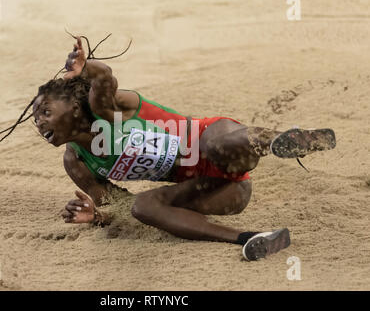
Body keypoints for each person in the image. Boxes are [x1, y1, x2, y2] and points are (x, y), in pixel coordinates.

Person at [30, 36, 336, 261]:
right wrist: (98, 216)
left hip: (216, 139)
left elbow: (104, 77)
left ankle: (289, 140)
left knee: (216, 146)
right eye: (35, 118)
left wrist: (85, 68)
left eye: (45, 112)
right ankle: (251, 238)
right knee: (142, 207)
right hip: (221, 188)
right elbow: (120, 208)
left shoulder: (106, 108)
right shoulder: (77, 162)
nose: (39, 123)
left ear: (72, 105)